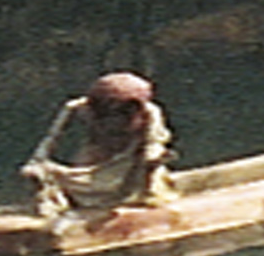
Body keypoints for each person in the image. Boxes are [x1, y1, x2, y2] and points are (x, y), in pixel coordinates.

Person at [21, 70, 178, 222]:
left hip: (134, 155)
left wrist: (153, 156)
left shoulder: (149, 112)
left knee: (151, 171)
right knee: (49, 174)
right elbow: (52, 138)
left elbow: (153, 140)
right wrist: (37, 163)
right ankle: (63, 206)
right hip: (99, 152)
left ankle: (146, 200)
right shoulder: (77, 108)